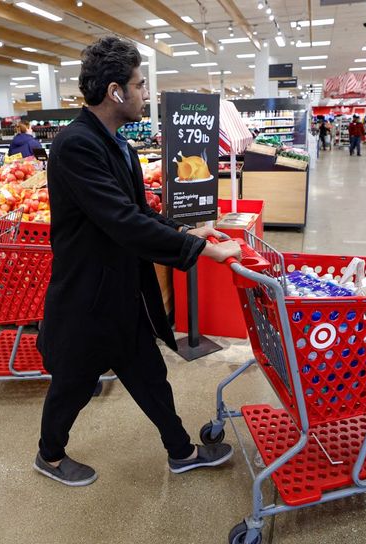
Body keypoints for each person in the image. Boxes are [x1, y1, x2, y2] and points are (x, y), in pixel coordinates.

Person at [34, 36, 241, 487]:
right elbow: (123, 223)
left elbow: (139, 212)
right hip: (87, 299)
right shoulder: (75, 145)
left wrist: (188, 232)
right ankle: (49, 456)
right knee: (72, 386)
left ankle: (181, 451)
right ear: (116, 91)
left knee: (150, 375)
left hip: (123, 293)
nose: (146, 94)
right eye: (140, 85)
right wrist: (205, 252)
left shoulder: (120, 146)